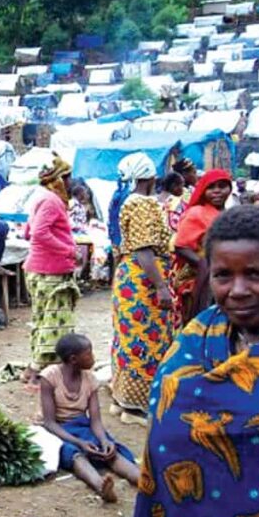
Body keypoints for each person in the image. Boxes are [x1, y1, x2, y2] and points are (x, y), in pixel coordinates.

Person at [133, 205, 259, 517]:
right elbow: (166, 444)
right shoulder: (192, 346)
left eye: (256, 274)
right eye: (223, 275)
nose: (237, 291)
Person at [109, 154, 173, 426]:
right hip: (143, 280)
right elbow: (144, 248)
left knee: (127, 338)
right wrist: (161, 286)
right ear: (151, 176)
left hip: (129, 277)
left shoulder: (127, 201)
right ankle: (136, 408)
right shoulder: (144, 205)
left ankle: (121, 400)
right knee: (146, 340)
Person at [40, 333, 139, 504]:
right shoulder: (49, 377)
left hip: (81, 426)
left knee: (109, 450)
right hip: (59, 430)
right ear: (73, 359)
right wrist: (79, 443)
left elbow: (95, 421)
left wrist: (103, 439)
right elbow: (49, 422)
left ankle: (144, 480)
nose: (93, 357)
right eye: (88, 353)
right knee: (74, 455)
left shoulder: (90, 379)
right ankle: (100, 486)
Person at [23, 153, 79, 381]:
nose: (70, 183)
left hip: (39, 268)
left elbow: (28, 231)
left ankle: (34, 368)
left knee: (41, 319)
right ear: (59, 178)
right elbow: (38, 233)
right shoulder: (52, 200)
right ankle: (38, 372)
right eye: (67, 178)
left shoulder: (40, 197)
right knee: (54, 324)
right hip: (50, 271)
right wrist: (69, 250)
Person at [172, 168, 232, 325]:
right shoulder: (197, 213)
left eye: (222, 186)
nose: (217, 191)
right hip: (201, 276)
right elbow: (180, 246)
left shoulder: (230, 214)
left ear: (230, 189)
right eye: (211, 187)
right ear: (203, 190)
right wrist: (205, 264)